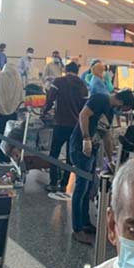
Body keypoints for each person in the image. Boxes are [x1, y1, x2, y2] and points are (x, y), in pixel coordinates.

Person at [70, 89, 134, 245]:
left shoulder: (110, 111)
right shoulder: (100, 99)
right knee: (81, 188)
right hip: (80, 147)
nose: (121, 112)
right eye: (124, 109)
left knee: (89, 187)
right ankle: (77, 229)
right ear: (121, 102)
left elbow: (105, 135)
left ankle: (85, 222)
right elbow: (83, 115)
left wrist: (110, 158)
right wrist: (86, 138)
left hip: (92, 150)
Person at [43, 62, 89, 194]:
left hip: (60, 123)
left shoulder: (59, 81)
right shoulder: (82, 84)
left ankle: (52, 182)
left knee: (54, 153)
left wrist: (44, 112)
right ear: (77, 71)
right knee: (70, 157)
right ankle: (64, 184)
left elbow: (50, 99)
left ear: (65, 70)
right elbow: (85, 106)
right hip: (75, 126)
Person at [0, 64, 24, 163]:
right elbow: (20, 97)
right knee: (8, 138)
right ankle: (6, 157)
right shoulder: (18, 79)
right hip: (11, 115)